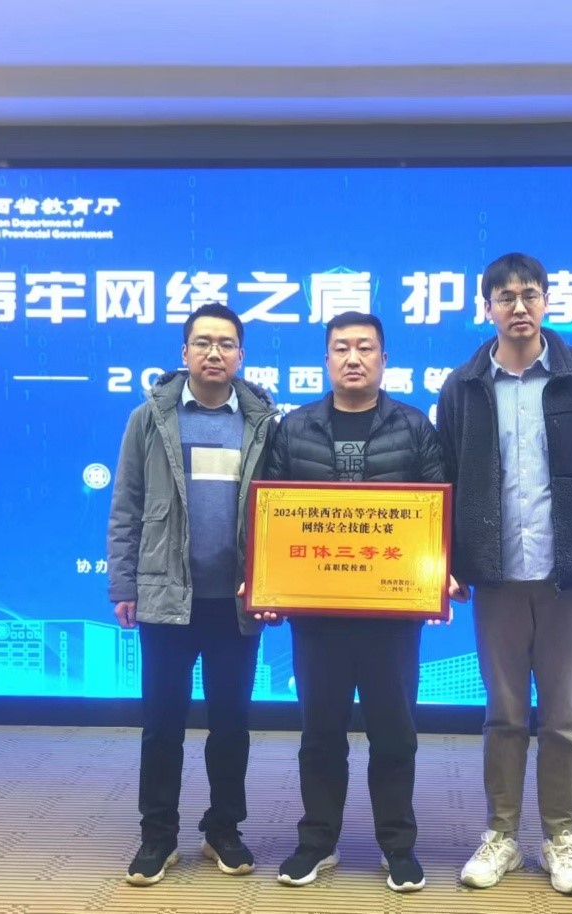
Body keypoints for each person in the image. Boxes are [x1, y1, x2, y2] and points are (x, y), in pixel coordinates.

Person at [435, 252, 572, 896]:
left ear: (547, 301)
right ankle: (501, 834)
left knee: (562, 719)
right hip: (495, 578)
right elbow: (446, 482)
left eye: (529, 294)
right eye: (505, 297)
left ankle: (559, 838)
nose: (518, 307)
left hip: (567, 575)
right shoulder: (463, 386)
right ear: (487, 308)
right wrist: (447, 563)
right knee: (503, 715)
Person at [259, 311, 448, 893]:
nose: (353, 358)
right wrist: (265, 581)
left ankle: (398, 846)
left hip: (392, 615)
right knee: (320, 733)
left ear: (384, 359)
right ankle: (317, 841)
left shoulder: (414, 426)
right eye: (341, 348)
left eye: (365, 347)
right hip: (317, 615)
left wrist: (444, 573)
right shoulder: (294, 428)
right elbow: (268, 514)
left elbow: (439, 510)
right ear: (326, 359)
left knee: (395, 733)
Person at [107, 303, 279, 886]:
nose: (214, 352)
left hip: (235, 602)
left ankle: (222, 830)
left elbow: (280, 512)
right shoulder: (149, 419)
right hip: (166, 597)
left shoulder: (262, 423)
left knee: (231, 724)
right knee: (162, 724)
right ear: (184, 353)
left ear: (241, 355)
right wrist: (123, 583)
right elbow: (126, 505)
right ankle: (158, 836)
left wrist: (273, 583)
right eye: (203, 342)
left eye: (226, 343)